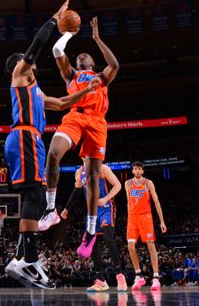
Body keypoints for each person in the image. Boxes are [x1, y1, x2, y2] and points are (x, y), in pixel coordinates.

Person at [3, 0, 102, 290]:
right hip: (24, 137)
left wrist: (84, 91)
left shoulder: (35, 89)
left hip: (27, 139)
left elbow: (59, 103)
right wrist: (54, 19)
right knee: (35, 194)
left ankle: (22, 257)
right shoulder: (20, 76)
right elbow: (36, 45)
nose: (32, 62)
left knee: (31, 196)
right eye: (28, 60)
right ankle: (29, 261)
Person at [40, 16, 120, 259]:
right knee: (53, 153)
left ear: (93, 62)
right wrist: (69, 34)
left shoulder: (102, 77)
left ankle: (90, 231)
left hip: (97, 121)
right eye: (78, 57)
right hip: (75, 116)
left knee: (93, 177)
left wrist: (97, 38)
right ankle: (51, 209)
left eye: (86, 56)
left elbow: (115, 65)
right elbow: (56, 49)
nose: (81, 57)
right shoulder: (71, 75)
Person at [61, 161, 126, 291]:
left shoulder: (102, 167)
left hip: (106, 207)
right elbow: (77, 191)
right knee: (93, 245)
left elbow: (118, 185)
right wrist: (67, 208)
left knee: (108, 239)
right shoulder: (79, 172)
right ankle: (101, 280)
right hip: (92, 212)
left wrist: (107, 198)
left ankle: (120, 275)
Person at [125, 161, 167, 290]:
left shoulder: (148, 183)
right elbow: (128, 202)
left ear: (142, 171)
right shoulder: (127, 183)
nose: (137, 171)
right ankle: (139, 275)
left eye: (139, 169)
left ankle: (155, 277)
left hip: (145, 216)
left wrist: (162, 221)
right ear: (132, 171)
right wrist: (129, 217)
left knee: (151, 245)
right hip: (132, 217)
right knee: (130, 246)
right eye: (135, 169)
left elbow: (156, 202)